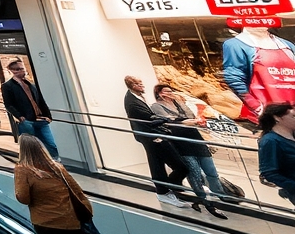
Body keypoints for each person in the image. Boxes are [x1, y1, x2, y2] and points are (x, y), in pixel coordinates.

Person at [150, 85, 227, 218]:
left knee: (210, 169)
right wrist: (183, 121)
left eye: (170, 90)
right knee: (194, 172)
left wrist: (183, 121)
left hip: (195, 137)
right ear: (159, 93)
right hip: (180, 140)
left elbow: (189, 116)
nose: (170, 93)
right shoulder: (156, 106)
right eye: (166, 91)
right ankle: (205, 200)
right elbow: (167, 120)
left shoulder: (179, 103)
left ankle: (220, 195)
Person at [13, 135, 91, 234]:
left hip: (47, 223)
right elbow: (77, 191)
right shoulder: (57, 167)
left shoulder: (23, 170)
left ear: (22, 150)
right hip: (70, 221)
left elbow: (23, 198)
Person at [123, 75, 188, 207]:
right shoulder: (132, 101)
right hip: (151, 136)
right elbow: (148, 118)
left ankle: (164, 191)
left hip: (150, 135)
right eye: (138, 83)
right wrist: (166, 119)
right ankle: (167, 188)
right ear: (131, 86)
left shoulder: (137, 97)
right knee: (180, 167)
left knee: (156, 164)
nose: (142, 85)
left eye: (141, 82)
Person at [220, 25, 295, 123]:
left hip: (290, 113)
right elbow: (234, 79)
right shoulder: (235, 45)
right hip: (263, 117)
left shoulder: (287, 45)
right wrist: (257, 108)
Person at [1, 60, 58, 160]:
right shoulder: (7, 86)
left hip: (41, 120)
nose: (24, 70)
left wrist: (48, 116)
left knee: (51, 145)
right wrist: (20, 117)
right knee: (30, 148)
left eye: (23, 68)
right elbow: (8, 104)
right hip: (26, 121)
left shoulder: (31, 84)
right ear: (14, 71)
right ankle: (35, 167)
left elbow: (40, 101)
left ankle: (55, 164)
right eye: (21, 68)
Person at [258, 102, 295, 207]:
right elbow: (269, 173)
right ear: (277, 118)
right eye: (293, 116)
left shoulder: (292, 135)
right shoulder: (271, 141)